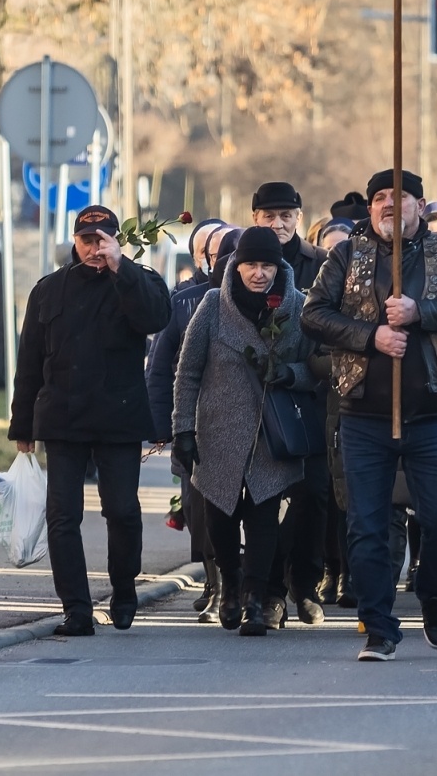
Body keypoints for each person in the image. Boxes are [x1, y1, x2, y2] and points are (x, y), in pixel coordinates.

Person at [302, 170, 437, 661]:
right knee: (365, 526)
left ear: (420, 205)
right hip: (363, 414)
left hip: (434, 411)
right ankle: (381, 628)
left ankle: (435, 595)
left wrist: (420, 312)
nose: (390, 204)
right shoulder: (346, 255)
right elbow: (313, 315)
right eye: (380, 198)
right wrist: (371, 337)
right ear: (369, 208)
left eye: (400, 196)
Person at [10, 205, 172, 637]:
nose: (96, 249)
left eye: (104, 240)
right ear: (74, 243)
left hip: (119, 417)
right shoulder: (48, 290)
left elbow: (157, 317)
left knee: (121, 511)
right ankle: (76, 609)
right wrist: (21, 426)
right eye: (88, 241)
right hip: (62, 418)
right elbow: (29, 362)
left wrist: (122, 268)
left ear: (117, 241)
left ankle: (123, 591)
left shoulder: (139, 281)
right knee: (63, 516)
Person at [170, 227, 318, 636]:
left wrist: (290, 373)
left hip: (272, 431)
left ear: (278, 265)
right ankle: (230, 583)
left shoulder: (297, 307)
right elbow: (188, 371)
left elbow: (317, 369)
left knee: (263, 515)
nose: (258, 273)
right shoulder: (214, 305)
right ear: (237, 265)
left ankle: (255, 598)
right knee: (219, 515)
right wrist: (183, 428)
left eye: (266, 265)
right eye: (251, 264)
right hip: (218, 428)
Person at [248, 182, 328, 626]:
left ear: (299, 216)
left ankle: (306, 583)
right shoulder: (241, 263)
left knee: (313, 495)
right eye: (268, 216)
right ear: (255, 217)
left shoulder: (320, 265)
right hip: (256, 403)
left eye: (286, 215)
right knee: (267, 496)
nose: (277, 224)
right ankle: (269, 590)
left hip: (309, 398)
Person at [147, 221, 236, 615]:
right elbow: (164, 369)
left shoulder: (277, 299)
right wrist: (164, 427)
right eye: (219, 255)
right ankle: (215, 582)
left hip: (250, 427)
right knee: (200, 509)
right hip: (198, 424)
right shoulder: (186, 302)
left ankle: (250, 586)